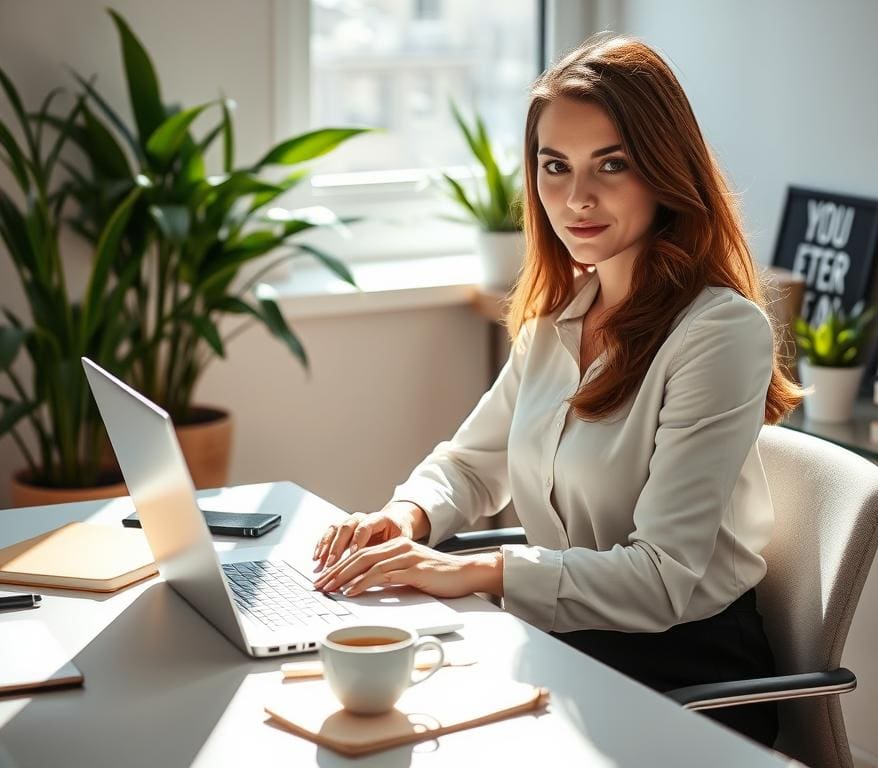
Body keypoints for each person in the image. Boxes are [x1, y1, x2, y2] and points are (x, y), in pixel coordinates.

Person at [312, 33, 802, 746]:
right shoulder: (562, 315)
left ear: (664, 169)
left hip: (682, 675)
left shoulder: (719, 333)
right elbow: (471, 463)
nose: (577, 198)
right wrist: (406, 516)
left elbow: (662, 579)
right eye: (555, 167)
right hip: (560, 644)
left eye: (612, 164)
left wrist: (477, 570)